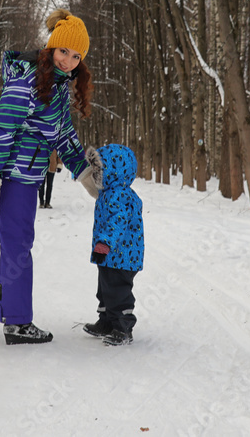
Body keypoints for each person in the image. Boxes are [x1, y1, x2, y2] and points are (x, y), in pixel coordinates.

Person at [0, 9, 102, 345]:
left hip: (12, 176)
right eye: (64, 52)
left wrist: (85, 173)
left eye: (77, 56)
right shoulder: (29, 78)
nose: (69, 61)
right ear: (51, 47)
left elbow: (62, 136)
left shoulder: (56, 86)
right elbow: (0, 127)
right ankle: (17, 322)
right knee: (15, 245)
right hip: (15, 177)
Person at [82, 144, 144, 346]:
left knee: (118, 292)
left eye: (99, 170)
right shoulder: (109, 193)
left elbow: (117, 222)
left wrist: (104, 243)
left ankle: (123, 326)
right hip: (111, 256)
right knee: (105, 290)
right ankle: (107, 322)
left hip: (123, 256)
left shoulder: (121, 195)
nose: (96, 175)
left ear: (114, 172)